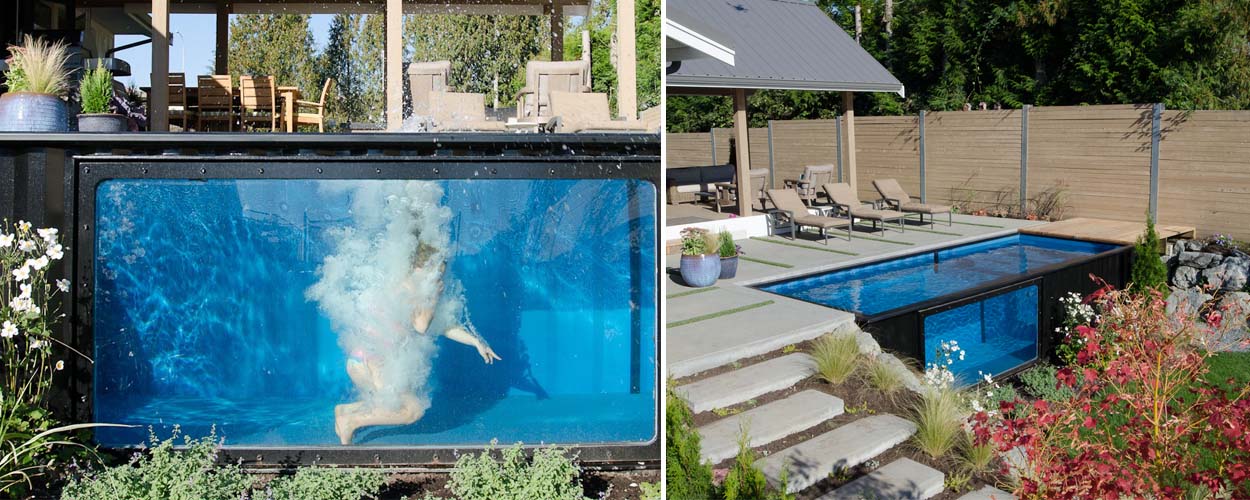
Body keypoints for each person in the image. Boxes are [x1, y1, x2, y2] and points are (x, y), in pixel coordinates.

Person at [332, 251, 501, 446]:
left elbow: (442, 325)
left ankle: (347, 411)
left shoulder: (404, 284)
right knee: (413, 410)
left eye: (441, 275)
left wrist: (476, 342)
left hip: (360, 360)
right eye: (436, 274)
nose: (439, 279)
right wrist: (433, 297)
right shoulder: (408, 287)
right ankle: (351, 420)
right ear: (419, 268)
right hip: (375, 362)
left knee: (389, 404)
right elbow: (421, 325)